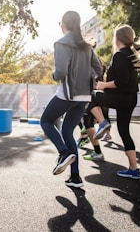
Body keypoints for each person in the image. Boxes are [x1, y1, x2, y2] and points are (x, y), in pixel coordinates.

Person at [40, 11, 102, 188]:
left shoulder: (61, 43)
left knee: (46, 120)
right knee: (67, 131)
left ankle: (63, 152)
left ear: (64, 24)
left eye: (60, 23)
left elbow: (60, 72)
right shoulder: (87, 46)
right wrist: (90, 84)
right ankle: (75, 177)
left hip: (68, 94)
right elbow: (99, 70)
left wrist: (53, 75)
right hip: (84, 96)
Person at [89, 24, 140, 179]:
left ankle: (103, 123)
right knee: (124, 132)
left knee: (90, 97)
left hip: (121, 98)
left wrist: (103, 85)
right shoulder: (131, 54)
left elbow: (121, 81)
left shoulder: (119, 55)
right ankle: (134, 169)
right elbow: (124, 80)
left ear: (117, 39)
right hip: (131, 98)